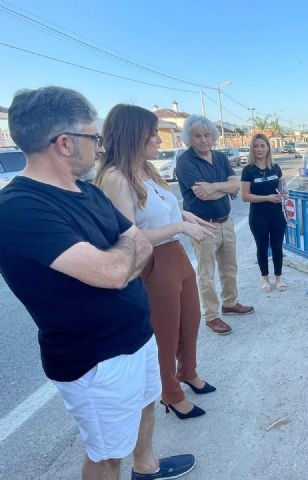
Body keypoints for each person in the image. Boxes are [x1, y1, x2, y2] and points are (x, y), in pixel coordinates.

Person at [0, 87, 195, 480]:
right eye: (95, 138)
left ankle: (147, 467)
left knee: (145, 405)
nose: (100, 147)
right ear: (66, 143)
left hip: (135, 336)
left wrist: (125, 250)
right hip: (96, 360)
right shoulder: (20, 208)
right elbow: (114, 271)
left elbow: (138, 240)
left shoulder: (86, 190)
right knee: (107, 456)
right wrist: (126, 251)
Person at [96, 104, 216, 421]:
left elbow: (166, 209)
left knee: (190, 322)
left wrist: (187, 216)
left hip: (176, 255)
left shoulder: (147, 170)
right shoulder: (116, 178)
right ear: (133, 136)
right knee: (164, 334)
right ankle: (171, 394)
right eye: (153, 135)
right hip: (153, 263)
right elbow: (128, 237)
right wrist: (179, 227)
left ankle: (188, 372)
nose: (159, 141)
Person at [176, 115, 254, 336]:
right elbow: (203, 196)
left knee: (230, 267)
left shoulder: (220, 157)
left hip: (225, 221)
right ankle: (211, 315)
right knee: (206, 273)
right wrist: (223, 188)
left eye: (207, 135)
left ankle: (230, 303)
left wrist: (215, 187)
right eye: (197, 136)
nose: (203, 140)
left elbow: (236, 184)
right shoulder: (185, 162)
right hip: (203, 225)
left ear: (213, 137)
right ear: (188, 139)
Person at [241, 133, 288, 292]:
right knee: (262, 247)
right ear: (252, 149)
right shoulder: (248, 170)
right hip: (258, 216)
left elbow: (283, 187)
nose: (259, 149)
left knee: (277, 246)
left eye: (262, 145)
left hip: (277, 215)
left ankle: (279, 278)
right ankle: (265, 280)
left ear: (268, 147)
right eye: (256, 146)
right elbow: (245, 196)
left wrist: (285, 194)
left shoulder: (275, 167)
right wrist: (267, 197)